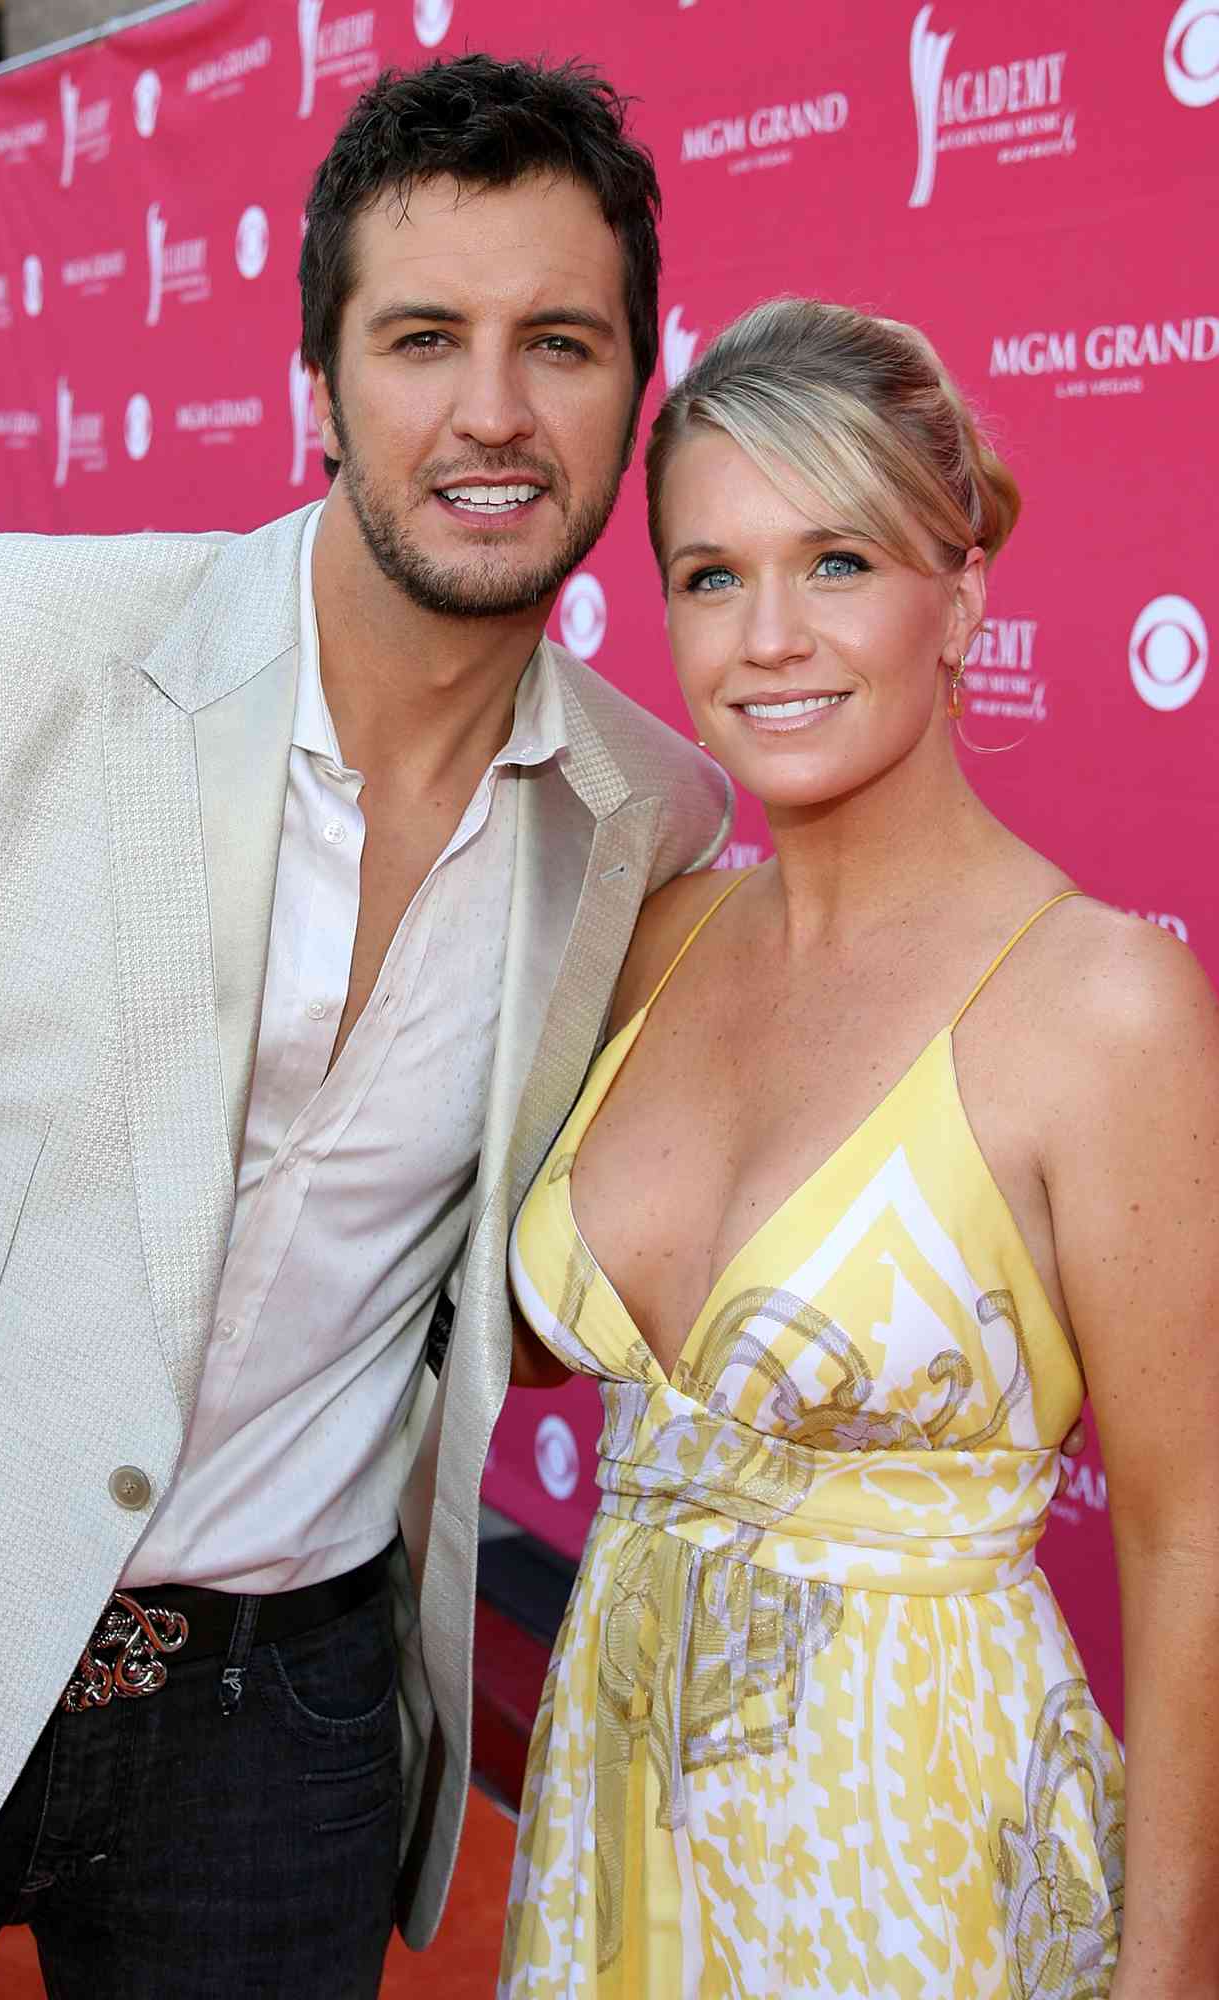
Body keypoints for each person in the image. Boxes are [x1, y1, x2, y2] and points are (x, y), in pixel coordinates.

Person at [0, 55, 733, 1997]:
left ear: (635, 390)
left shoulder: (651, 819)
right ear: (316, 380)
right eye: (423, 335)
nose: (494, 411)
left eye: (563, 343)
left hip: (282, 1724)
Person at [500, 297, 1219, 1998]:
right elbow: (523, 1337)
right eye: (707, 573)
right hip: (612, 1847)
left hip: (921, 1874)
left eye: (835, 562)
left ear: (958, 589)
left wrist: (1174, 1973)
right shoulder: (656, 933)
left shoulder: (1102, 1003)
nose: (765, 636)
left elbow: (1192, 1534)